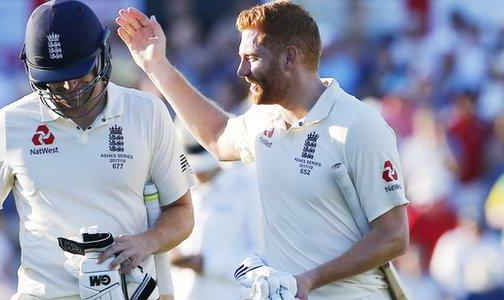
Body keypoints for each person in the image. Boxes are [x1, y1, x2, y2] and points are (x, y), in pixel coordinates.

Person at [116, 1, 409, 299]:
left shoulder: (359, 125)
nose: (241, 70)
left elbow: (393, 236)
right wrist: (156, 65)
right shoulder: (265, 117)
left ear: (289, 57)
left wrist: (308, 280)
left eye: (252, 58)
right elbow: (218, 136)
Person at [0, 1, 194, 299]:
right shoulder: (11, 123)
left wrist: (147, 242)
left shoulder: (147, 112)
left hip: (127, 292)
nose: (67, 87)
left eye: (78, 73)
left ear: (102, 54)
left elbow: (181, 212)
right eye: (53, 79)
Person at [170, 120, 261, 300]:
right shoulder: (181, 188)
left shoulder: (248, 188)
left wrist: (207, 264)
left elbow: (261, 257)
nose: (198, 173)